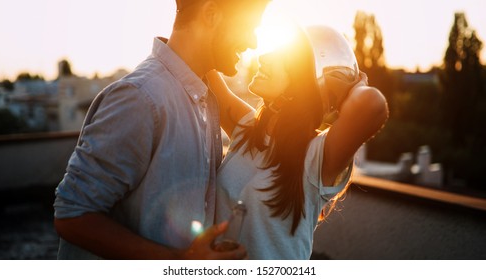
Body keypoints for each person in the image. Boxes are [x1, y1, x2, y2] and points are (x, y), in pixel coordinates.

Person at [53, 0, 269, 259]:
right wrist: (182, 261)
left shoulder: (205, 99)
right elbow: (72, 215)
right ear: (211, 14)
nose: (253, 43)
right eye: (248, 27)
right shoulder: (141, 98)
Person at [207, 25, 389, 259]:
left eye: (281, 58)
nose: (263, 58)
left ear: (303, 82)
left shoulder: (316, 158)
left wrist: (351, 83)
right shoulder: (247, 130)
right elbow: (202, 67)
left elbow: (372, 105)